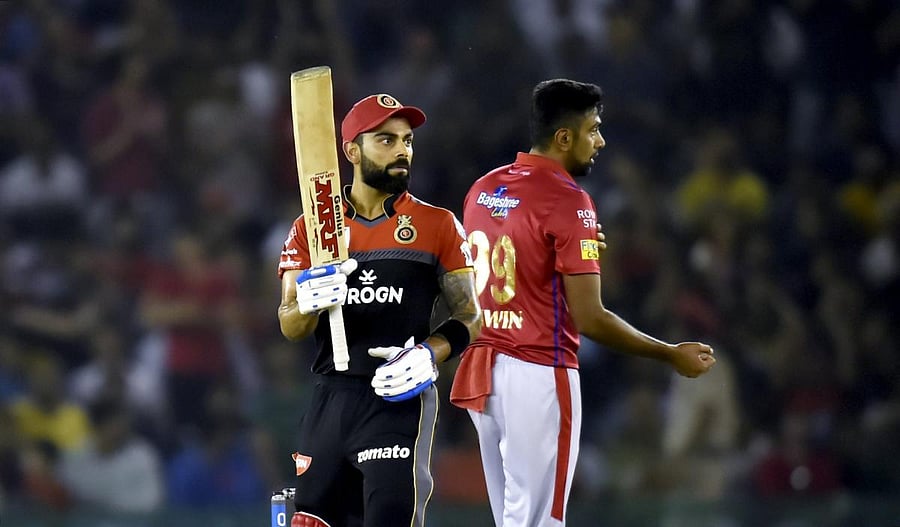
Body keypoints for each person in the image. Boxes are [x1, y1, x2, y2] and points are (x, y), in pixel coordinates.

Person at [450, 78, 717, 526]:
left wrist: (576, 247)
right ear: (563, 137)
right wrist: (669, 354)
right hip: (538, 372)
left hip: (483, 372)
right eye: (593, 130)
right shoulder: (570, 200)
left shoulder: (483, 188)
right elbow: (590, 318)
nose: (601, 141)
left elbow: (518, 257)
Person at [277, 93, 481, 527]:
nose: (402, 150)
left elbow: (470, 316)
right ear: (352, 151)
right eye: (386, 140)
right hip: (329, 400)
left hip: (396, 398)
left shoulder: (438, 225)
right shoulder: (312, 229)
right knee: (309, 521)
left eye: (407, 140)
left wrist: (429, 354)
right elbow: (290, 323)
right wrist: (308, 303)